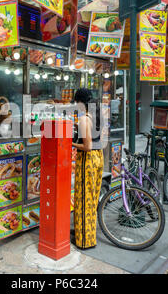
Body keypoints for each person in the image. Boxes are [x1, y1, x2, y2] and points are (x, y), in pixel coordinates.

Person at [72, 88, 104, 250]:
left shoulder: (84, 119)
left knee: (83, 199)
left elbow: (87, 146)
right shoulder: (98, 115)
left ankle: (84, 241)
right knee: (92, 199)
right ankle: (87, 234)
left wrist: (70, 143)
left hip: (88, 159)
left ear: (80, 102)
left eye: (75, 102)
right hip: (99, 157)